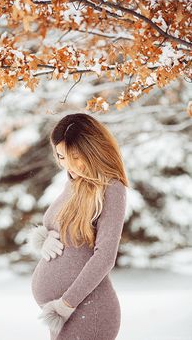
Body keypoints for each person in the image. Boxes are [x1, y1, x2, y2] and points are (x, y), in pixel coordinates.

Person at [27, 113, 129, 340]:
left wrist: (65, 304)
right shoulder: (75, 182)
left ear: (93, 151)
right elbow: (58, 225)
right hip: (65, 315)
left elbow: (105, 257)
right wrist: (45, 238)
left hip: (88, 311)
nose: (68, 165)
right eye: (61, 157)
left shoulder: (112, 189)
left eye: (75, 157)